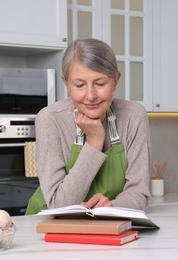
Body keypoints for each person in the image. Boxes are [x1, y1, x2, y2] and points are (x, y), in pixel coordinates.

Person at [25, 38, 152, 215]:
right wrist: (94, 142)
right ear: (66, 84)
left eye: (100, 84)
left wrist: (112, 207)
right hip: (48, 226)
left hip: (106, 224)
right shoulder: (50, 119)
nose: (91, 95)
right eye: (79, 85)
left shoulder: (133, 115)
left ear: (116, 80)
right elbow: (58, 204)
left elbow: (140, 193)